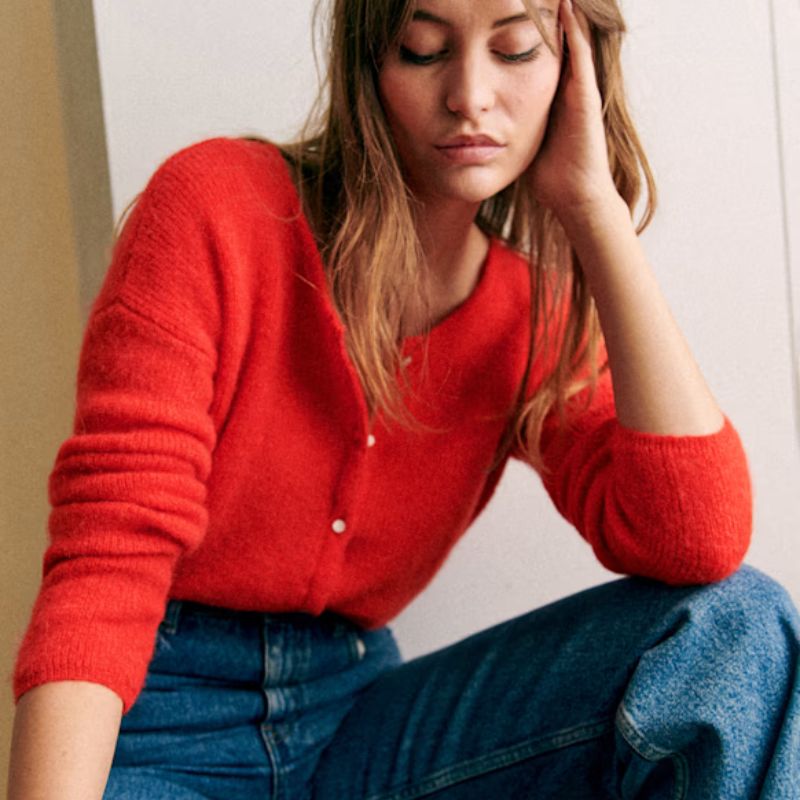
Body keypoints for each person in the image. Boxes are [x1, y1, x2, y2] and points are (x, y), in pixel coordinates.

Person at [8, 0, 800, 797]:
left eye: (516, 50)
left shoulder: (531, 316)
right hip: (163, 717)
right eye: (423, 51)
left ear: (574, 70)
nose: (470, 96)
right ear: (368, 65)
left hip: (355, 723)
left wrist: (596, 214)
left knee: (736, 629)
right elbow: (108, 560)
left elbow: (698, 541)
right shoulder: (216, 209)